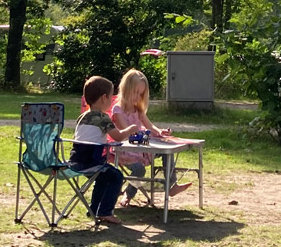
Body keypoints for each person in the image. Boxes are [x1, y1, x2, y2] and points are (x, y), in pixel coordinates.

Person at [111, 68, 193, 207]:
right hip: (125, 149)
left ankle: (172, 185)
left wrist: (159, 132)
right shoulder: (118, 110)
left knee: (167, 151)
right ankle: (128, 195)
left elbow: (150, 126)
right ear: (126, 89)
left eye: (141, 94)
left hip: (141, 147)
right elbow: (127, 134)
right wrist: (147, 135)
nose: (137, 97)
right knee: (139, 170)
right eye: (135, 92)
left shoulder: (138, 110)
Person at [70, 76, 137, 225]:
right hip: (92, 162)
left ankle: (94, 210)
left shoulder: (82, 117)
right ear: (104, 98)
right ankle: (105, 211)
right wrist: (131, 129)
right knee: (116, 176)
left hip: (76, 161)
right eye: (110, 97)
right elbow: (118, 137)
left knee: (102, 178)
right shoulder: (102, 118)